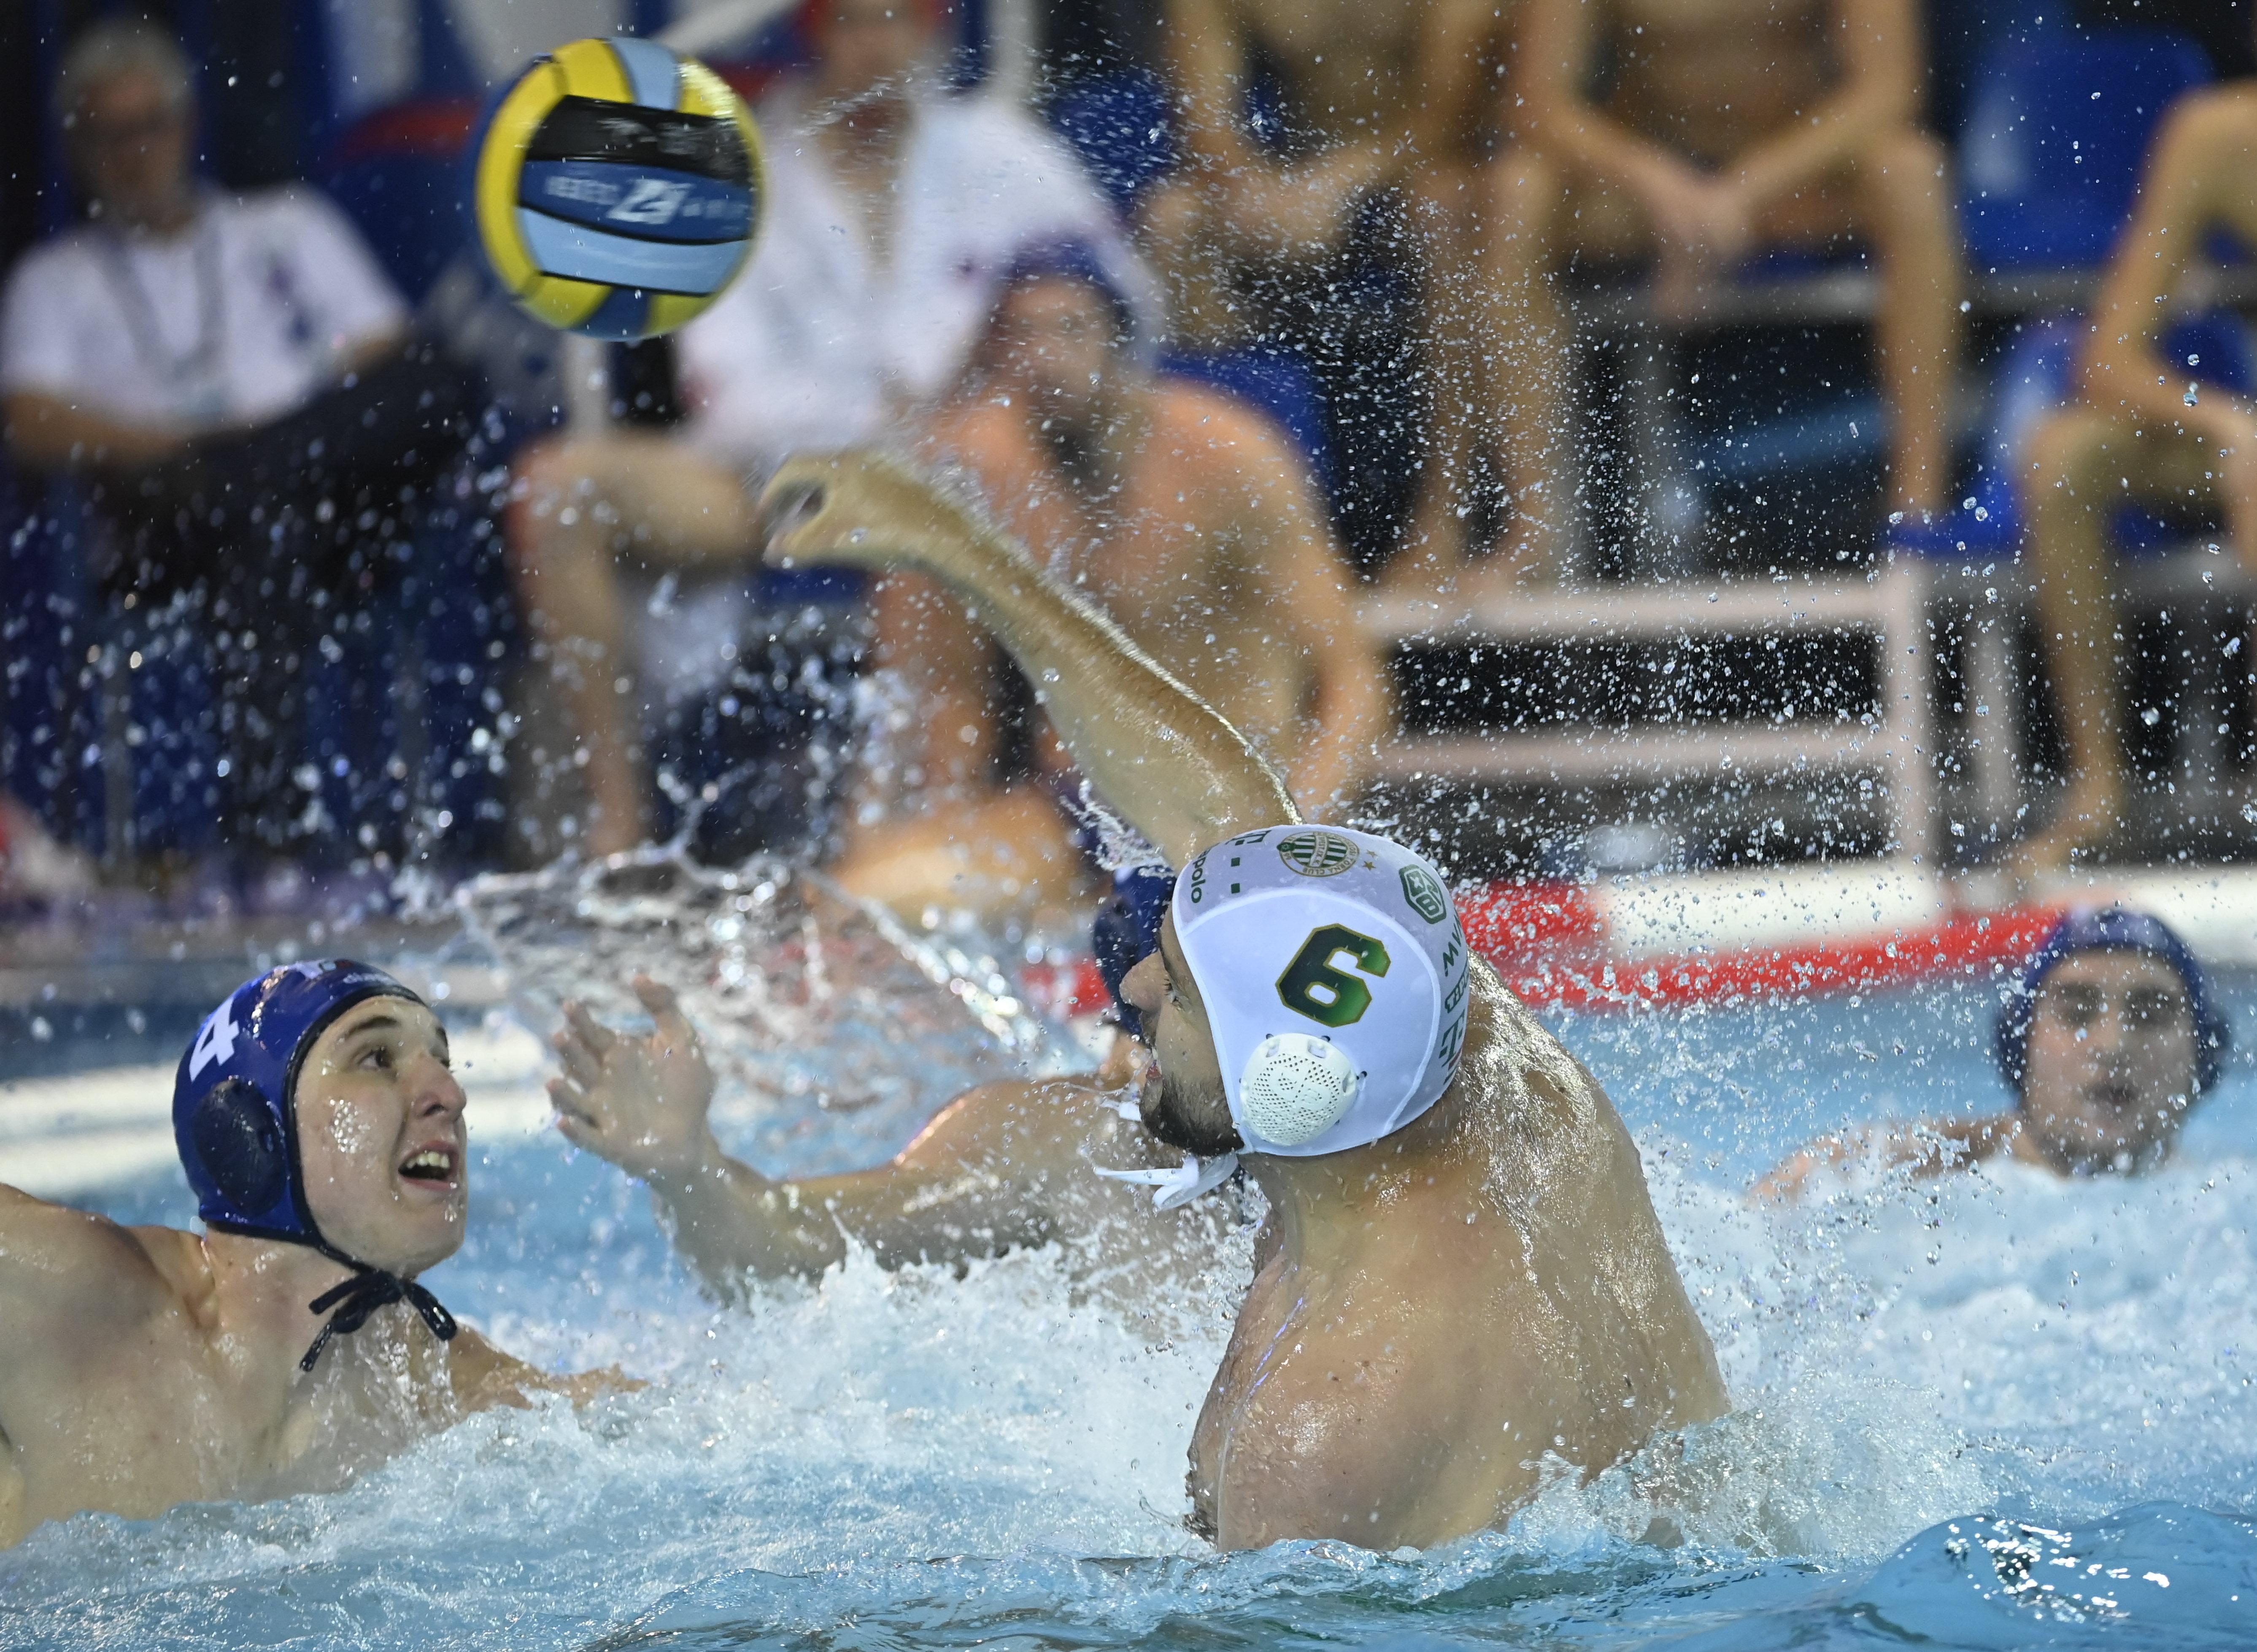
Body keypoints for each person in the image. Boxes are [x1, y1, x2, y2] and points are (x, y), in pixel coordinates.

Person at [571, 448, 1728, 1550]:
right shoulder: (1450, 1039)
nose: (1119, 998)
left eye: (1166, 995)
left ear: (1282, 1074)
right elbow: (1219, 802)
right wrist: (963, 552)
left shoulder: (1322, 1431)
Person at [508, 0, 1151, 857]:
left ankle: (936, 816)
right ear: (816, 36)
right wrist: (892, 419)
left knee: (966, 461)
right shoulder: (740, 176)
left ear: (930, 34)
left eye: (896, 22)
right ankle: (618, 823)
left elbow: (1124, 312)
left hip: (972, 474)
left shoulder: (1004, 155)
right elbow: (730, 394)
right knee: (557, 492)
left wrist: (1003, 380)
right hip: (782, 482)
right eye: (854, 23)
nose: (876, 47)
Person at [0, 19, 481, 857]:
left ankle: (245, 473)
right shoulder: (56, 278)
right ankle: (272, 834)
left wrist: (252, 447)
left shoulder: (284, 226)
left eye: (150, 127)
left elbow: (381, 358)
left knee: (442, 378)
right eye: (111, 135)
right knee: (260, 516)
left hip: (326, 505)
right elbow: (32, 420)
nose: (135, 153)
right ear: (79, 149)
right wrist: (172, 449)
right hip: (165, 519)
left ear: (187, 127)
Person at [834, 246, 1390, 925]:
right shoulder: (975, 475)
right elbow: (942, 692)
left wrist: (1292, 844)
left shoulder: (1225, 455)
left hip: (1237, 806)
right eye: (1019, 335)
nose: (1042, 358)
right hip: (1081, 815)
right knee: (857, 901)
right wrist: (924, 826)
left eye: (1068, 330)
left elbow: (1353, 684)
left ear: (1122, 346)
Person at [0, 960, 621, 1550]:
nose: (450, 1094)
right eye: (377, 1058)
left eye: (443, 1060)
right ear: (249, 1131)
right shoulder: (73, 1293)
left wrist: (688, 1168)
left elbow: (695, 1437)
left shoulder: (439, 1388)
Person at [1142, 0, 1560, 582]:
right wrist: (1250, 188)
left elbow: (1448, 115)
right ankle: (1222, 541)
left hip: (1415, 177)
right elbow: (1201, 120)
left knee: (1446, 209)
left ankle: (1451, 520)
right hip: (1301, 187)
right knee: (1174, 221)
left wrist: (1337, 183)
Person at [1515, 0, 1960, 548]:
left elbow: (1889, 90)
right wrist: (1657, 185)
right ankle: (1531, 524)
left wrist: (1742, 190)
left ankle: (1917, 505)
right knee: (1516, 196)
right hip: (1651, 184)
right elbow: (1538, 104)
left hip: (1798, 173)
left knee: (1911, 174)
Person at [2011, 56, 2257, 871]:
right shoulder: (2217, 136)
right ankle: (2099, 795)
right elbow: (2107, 359)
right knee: (2065, 454)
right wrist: (2230, 422)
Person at [1756, 907, 2232, 1202]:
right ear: (2019, 1044)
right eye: (2076, 1013)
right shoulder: (1868, 1171)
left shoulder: (2226, 1212)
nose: (2112, 1045)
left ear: (2203, 1057)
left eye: (2151, 1015)